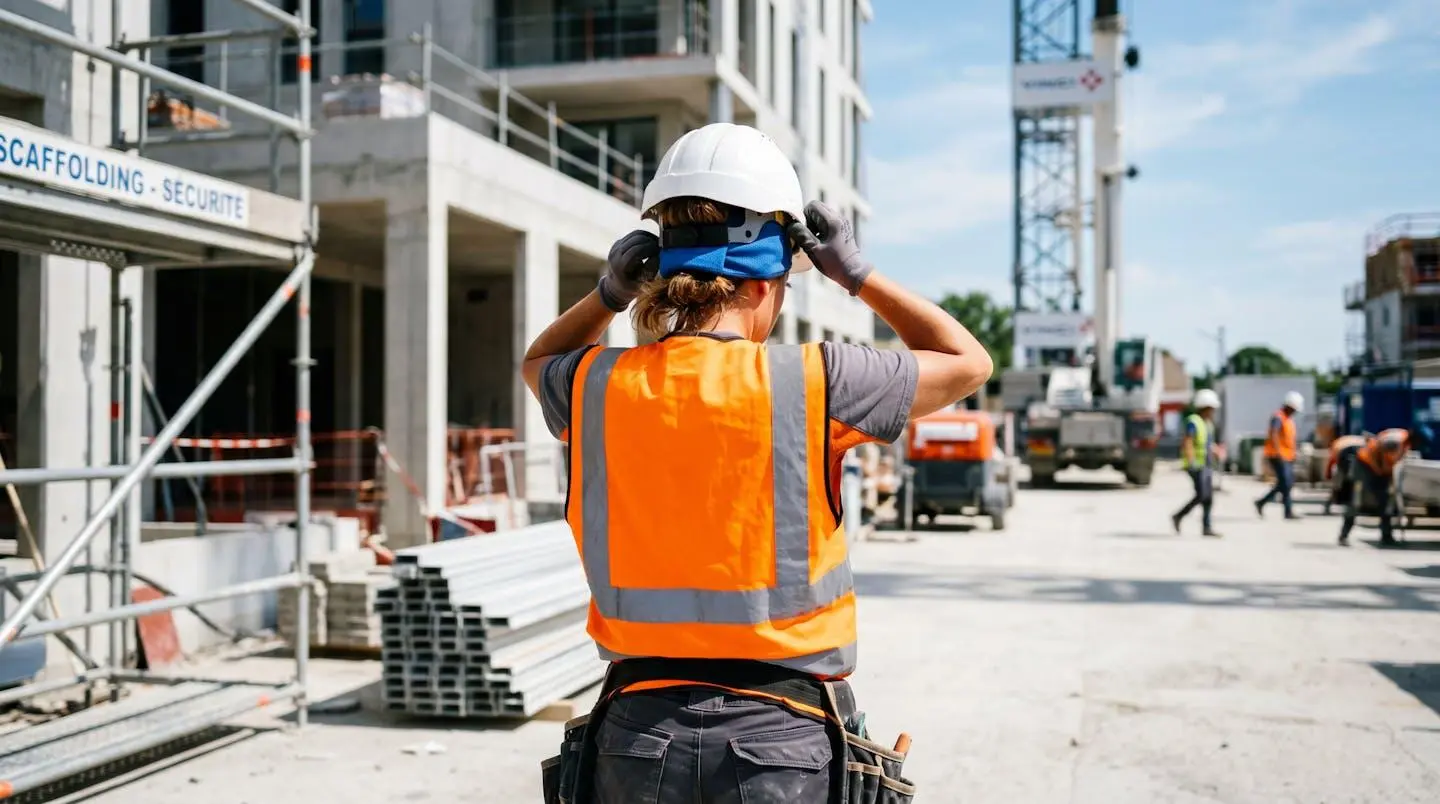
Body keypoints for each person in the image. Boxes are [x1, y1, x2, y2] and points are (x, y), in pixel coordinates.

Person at [522, 122, 992, 803]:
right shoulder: (817, 381)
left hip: (634, 737)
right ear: (770, 281)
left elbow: (535, 362)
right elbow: (967, 362)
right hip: (780, 743)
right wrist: (858, 277)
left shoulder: (596, 385)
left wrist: (607, 295)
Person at [1337, 428, 1411, 547]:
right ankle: (1343, 535)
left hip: (1377, 469)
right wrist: (1380, 470)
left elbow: (1390, 459)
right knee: (1356, 501)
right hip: (1364, 465)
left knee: (1385, 502)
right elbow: (1380, 448)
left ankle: (1386, 536)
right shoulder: (1396, 440)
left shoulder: (1403, 439)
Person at [1172, 389, 1224, 537]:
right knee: (1202, 495)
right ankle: (1178, 516)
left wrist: (1216, 451)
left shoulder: (1207, 424)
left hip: (1206, 465)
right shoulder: (1193, 421)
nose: (1213, 411)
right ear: (1205, 407)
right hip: (1196, 465)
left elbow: (1207, 443)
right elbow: (1187, 441)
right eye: (1212, 408)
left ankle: (1206, 527)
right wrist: (1191, 461)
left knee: (1208, 497)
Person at [1254, 391, 1304, 520]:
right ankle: (1287, 511)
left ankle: (1262, 502)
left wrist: (1294, 453)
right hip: (1277, 456)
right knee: (1285, 483)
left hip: (1287, 456)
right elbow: (1274, 434)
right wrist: (1279, 452)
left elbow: (1289, 439)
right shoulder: (1278, 417)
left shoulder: (1288, 419)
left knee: (1285, 483)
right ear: (1289, 406)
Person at [1324, 433, 1367, 516]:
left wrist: (1328, 475)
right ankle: (1355, 506)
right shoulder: (1341, 444)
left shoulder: (1337, 444)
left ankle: (1330, 505)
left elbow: (1331, 462)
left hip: (1345, 458)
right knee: (1356, 484)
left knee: (1337, 486)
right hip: (1351, 458)